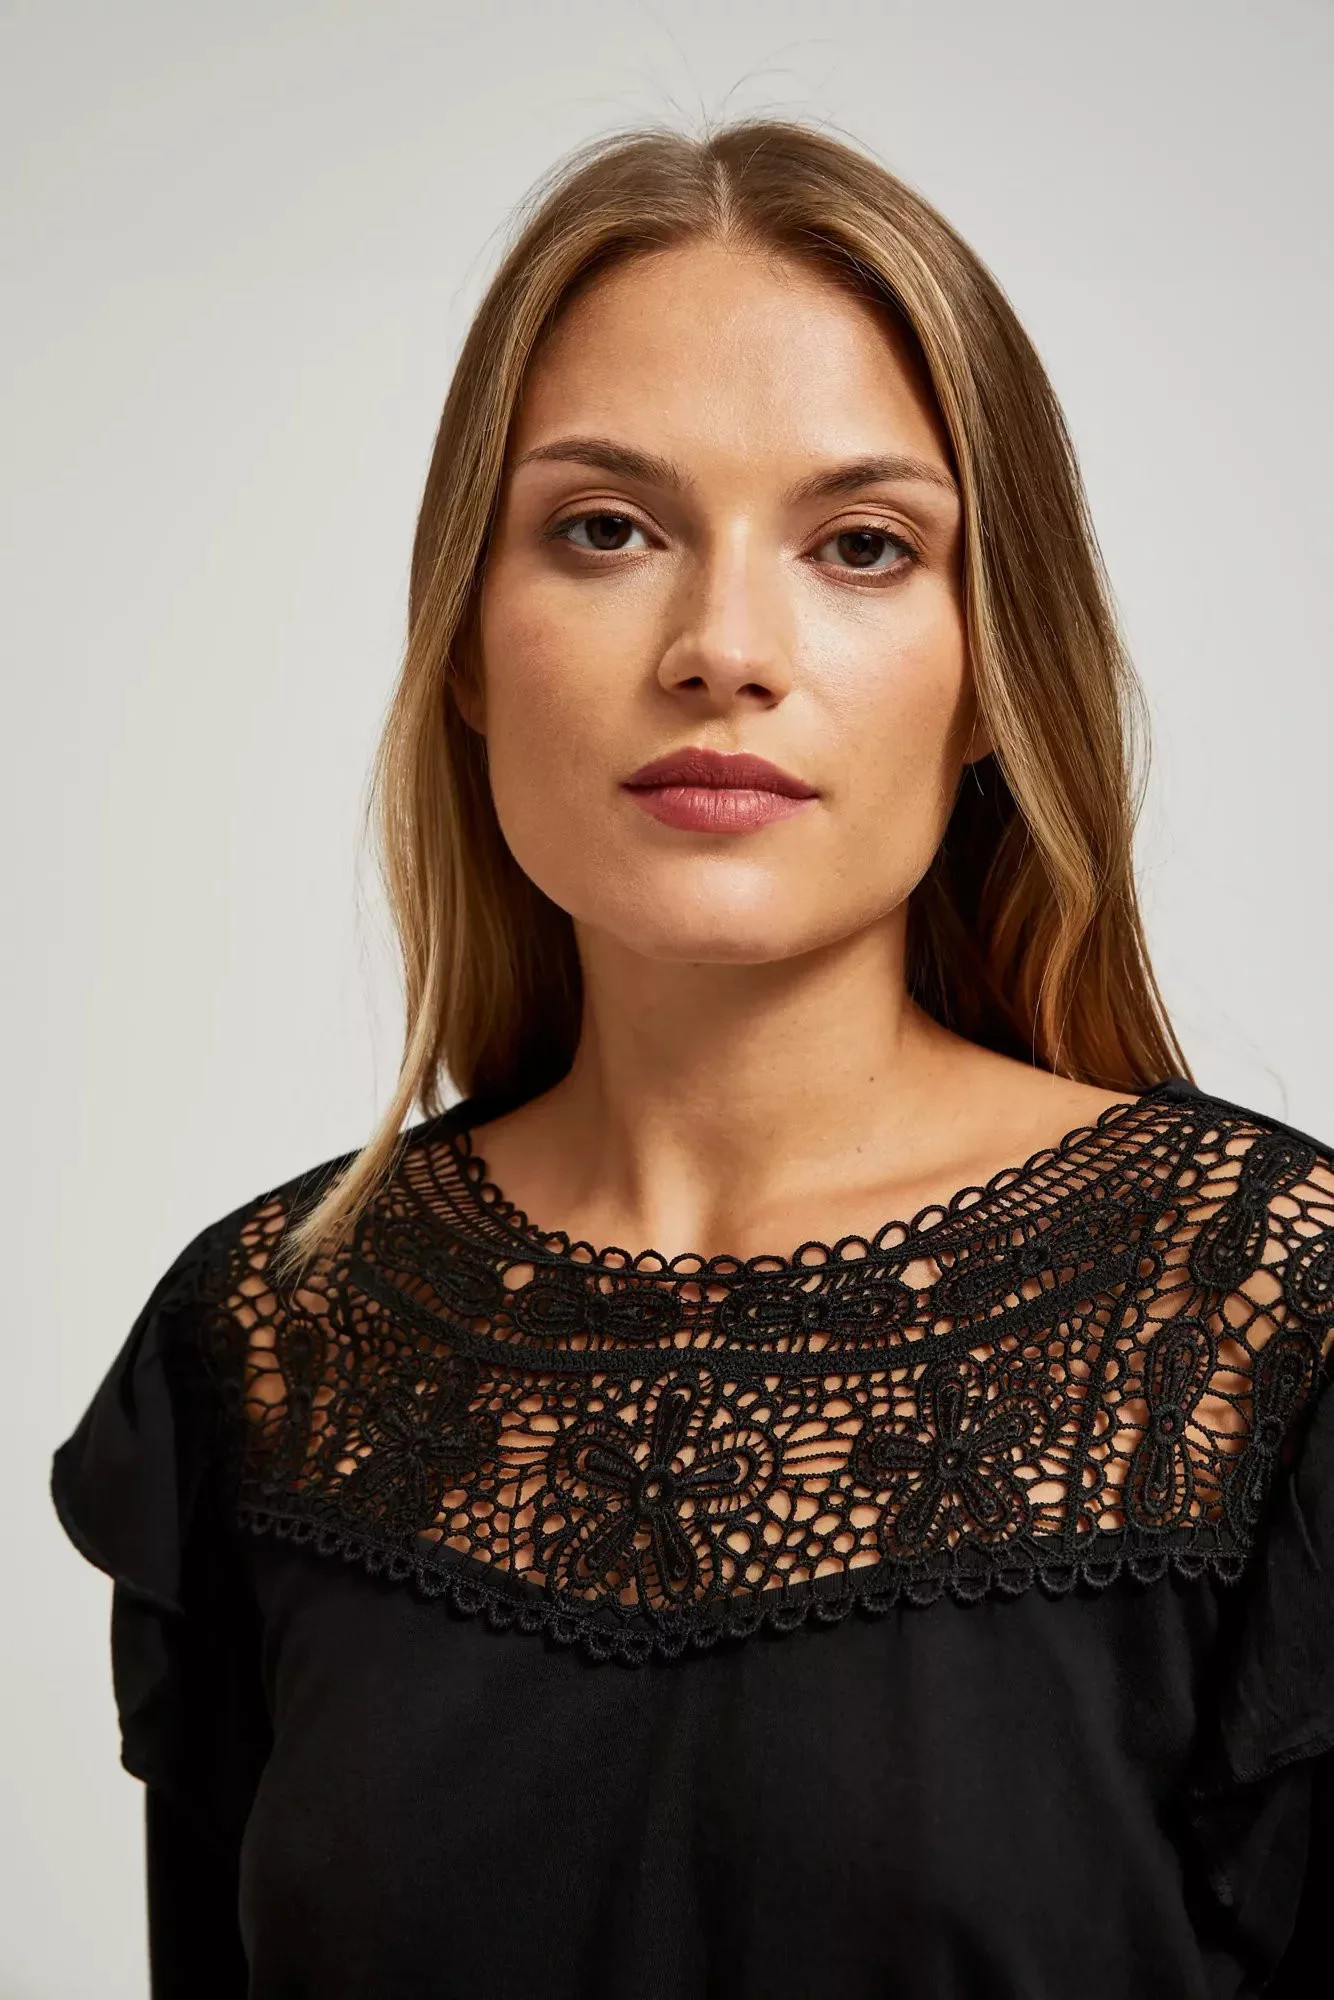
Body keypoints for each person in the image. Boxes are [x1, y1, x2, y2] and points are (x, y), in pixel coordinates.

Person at [51, 117, 1332, 2000]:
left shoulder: (1265, 1319)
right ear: (466, 642)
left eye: (862, 546)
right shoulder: (265, 1344)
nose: (723, 648)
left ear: (990, 667)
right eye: (604, 529)